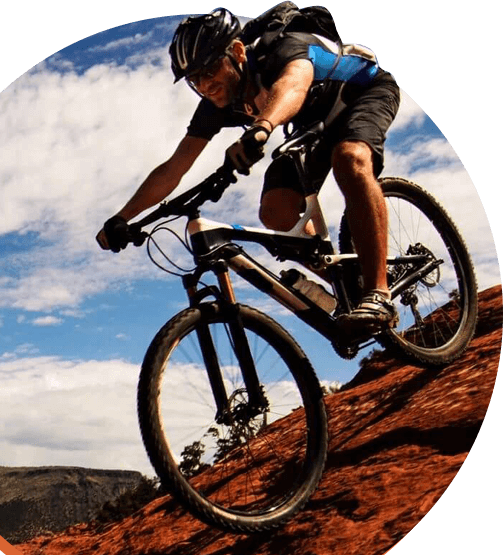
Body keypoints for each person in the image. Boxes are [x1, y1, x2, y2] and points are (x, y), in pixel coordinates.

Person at [96, 5, 400, 332]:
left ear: (237, 52)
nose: (204, 84)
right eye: (194, 79)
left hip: (362, 92)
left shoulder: (281, 49)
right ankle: (348, 282)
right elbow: (174, 168)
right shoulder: (216, 104)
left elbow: (293, 86)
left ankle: (378, 292)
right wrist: (123, 218)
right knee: (275, 212)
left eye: (209, 69)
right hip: (310, 126)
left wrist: (262, 127)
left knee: (350, 158)